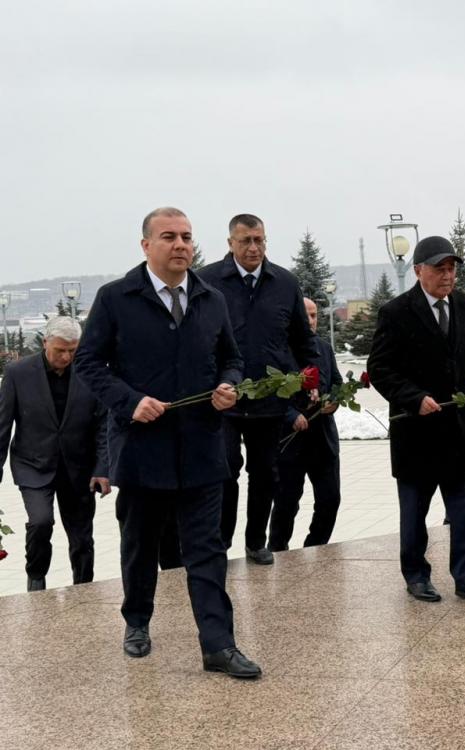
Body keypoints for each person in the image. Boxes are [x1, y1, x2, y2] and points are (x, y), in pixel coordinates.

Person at [75, 207, 261, 678]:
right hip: (142, 450)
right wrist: (129, 402)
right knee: (140, 546)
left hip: (202, 448)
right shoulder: (116, 298)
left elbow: (232, 358)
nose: (180, 244)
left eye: (186, 236)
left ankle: (218, 645)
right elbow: (89, 363)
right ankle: (137, 621)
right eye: (169, 236)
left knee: (208, 551)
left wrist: (229, 385)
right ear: (146, 245)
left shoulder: (211, 299)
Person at [368, 236, 465, 606]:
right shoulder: (395, 312)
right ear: (418, 270)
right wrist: (413, 398)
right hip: (417, 433)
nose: (448, 275)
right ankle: (416, 575)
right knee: (414, 514)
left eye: (452, 268)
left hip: (460, 433)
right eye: (440, 268)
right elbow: (379, 368)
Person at [199, 214, 319, 565]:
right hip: (224, 397)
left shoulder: (285, 282)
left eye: (259, 240)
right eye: (245, 241)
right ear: (230, 243)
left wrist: (312, 380)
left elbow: (302, 338)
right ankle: (220, 542)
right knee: (225, 469)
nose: (253, 248)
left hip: (270, 396)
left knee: (266, 472)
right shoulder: (207, 281)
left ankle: (255, 541)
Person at [0, 316, 110, 591]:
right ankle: (36, 581)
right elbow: (2, 426)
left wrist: (103, 469)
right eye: (60, 350)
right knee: (40, 522)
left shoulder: (90, 372)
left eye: (72, 350)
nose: (66, 357)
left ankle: (83, 589)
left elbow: (103, 426)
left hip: (79, 468)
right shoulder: (17, 373)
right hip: (33, 465)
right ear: (45, 342)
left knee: (81, 537)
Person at [268, 297, 343, 551]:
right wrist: (291, 416)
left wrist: (334, 400)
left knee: (330, 499)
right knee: (286, 503)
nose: (310, 321)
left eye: (314, 315)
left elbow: (336, 382)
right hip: (290, 443)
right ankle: (277, 550)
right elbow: (270, 392)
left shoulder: (324, 348)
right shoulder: (278, 351)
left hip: (323, 440)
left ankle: (316, 547)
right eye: (305, 315)